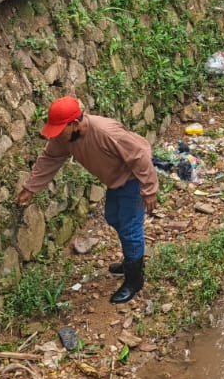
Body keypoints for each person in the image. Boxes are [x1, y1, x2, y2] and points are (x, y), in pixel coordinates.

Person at [18, 96, 159, 303]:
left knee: (130, 228)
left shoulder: (106, 132)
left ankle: (134, 280)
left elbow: (140, 155)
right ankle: (131, 258)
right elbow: (50, 159)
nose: (56, 136)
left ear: (74, 124)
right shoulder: (65, 138)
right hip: (115, 181)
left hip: (133, 179)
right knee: (113, 218)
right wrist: (30, 188)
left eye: (60, 129)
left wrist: (149, 190)